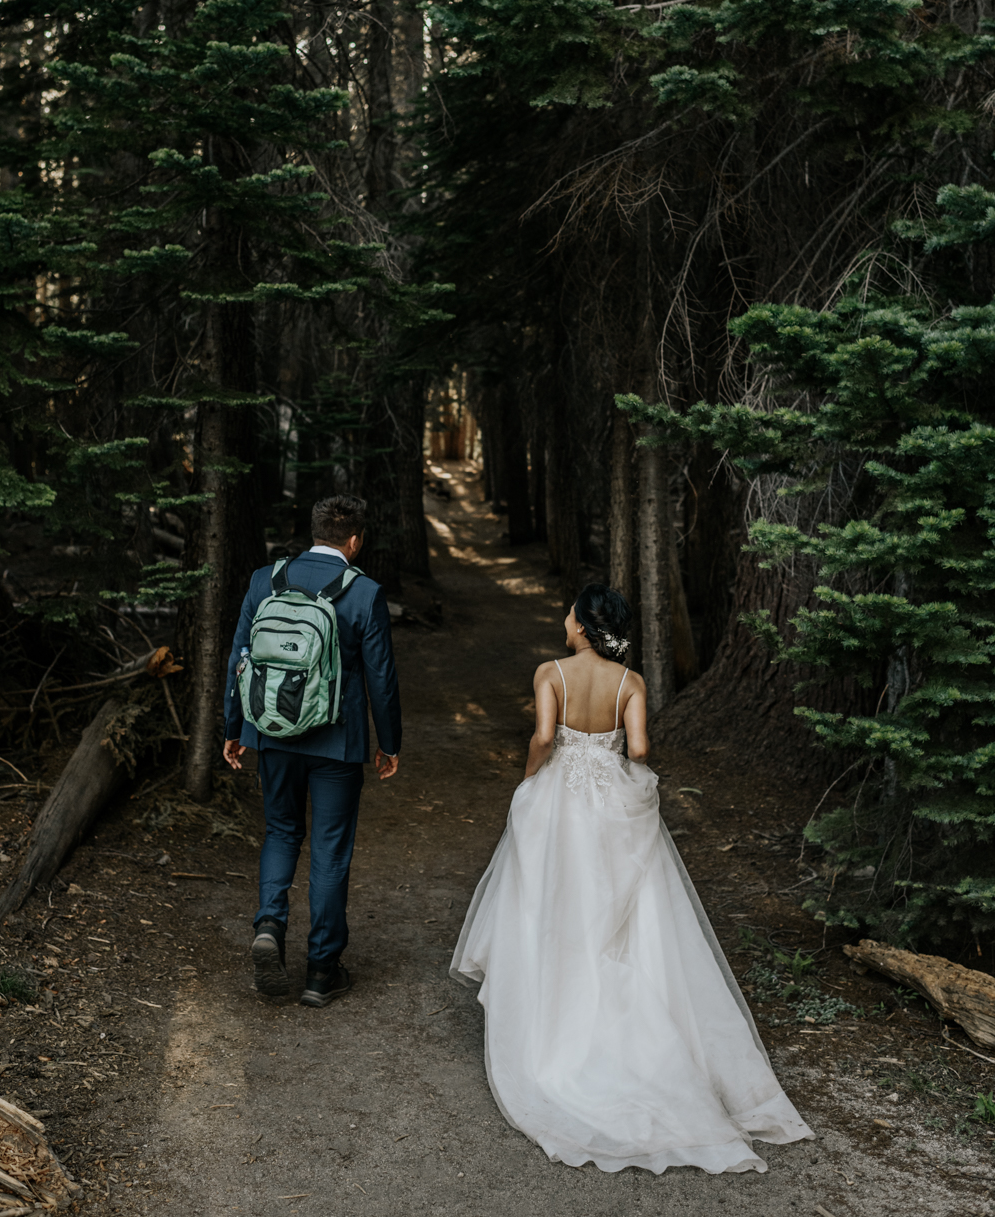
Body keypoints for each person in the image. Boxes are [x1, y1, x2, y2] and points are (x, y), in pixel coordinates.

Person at [450, 583, 814, 1174]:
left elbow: (544, 736)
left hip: (558, 798)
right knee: (621, 911)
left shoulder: (552, 672)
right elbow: (639, 750)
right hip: (609, 801)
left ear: (581, 625)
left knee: (548, 900)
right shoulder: (631, 683)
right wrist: (609, 761)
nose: (564, 619)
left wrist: (529, 781)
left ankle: (552, 1008)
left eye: (569, 613)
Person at [222, 494, 401, 1008]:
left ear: (314, 532)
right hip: (336, 744)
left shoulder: (265, 580)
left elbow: (239, 657)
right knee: (329, 850)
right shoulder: (364, 592)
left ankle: (270, 927)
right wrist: (389, 744)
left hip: (271, 733)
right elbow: (382, 679)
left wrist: (235, 727)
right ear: (354, 540)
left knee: (281, 830)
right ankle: (321, 971)